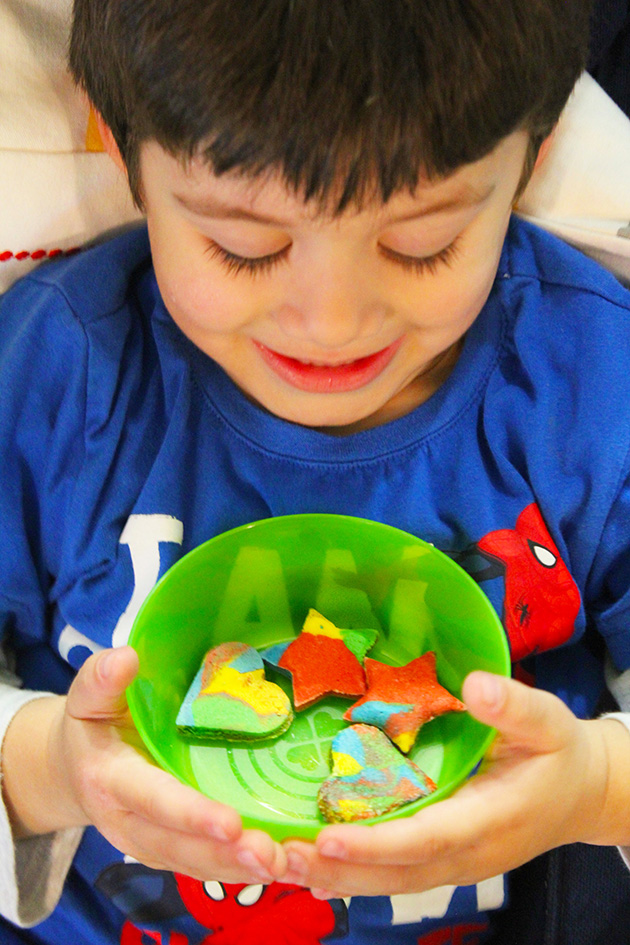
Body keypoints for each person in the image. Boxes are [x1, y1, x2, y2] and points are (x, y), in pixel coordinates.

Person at [2, 1, 630, 943]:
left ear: (532, 157)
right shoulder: (59, 375)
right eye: (243, 246)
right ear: (121, 145)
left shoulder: (587, 383)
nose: (333, 324)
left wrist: (596, 787)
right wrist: (46, 767)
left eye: (423, 242)